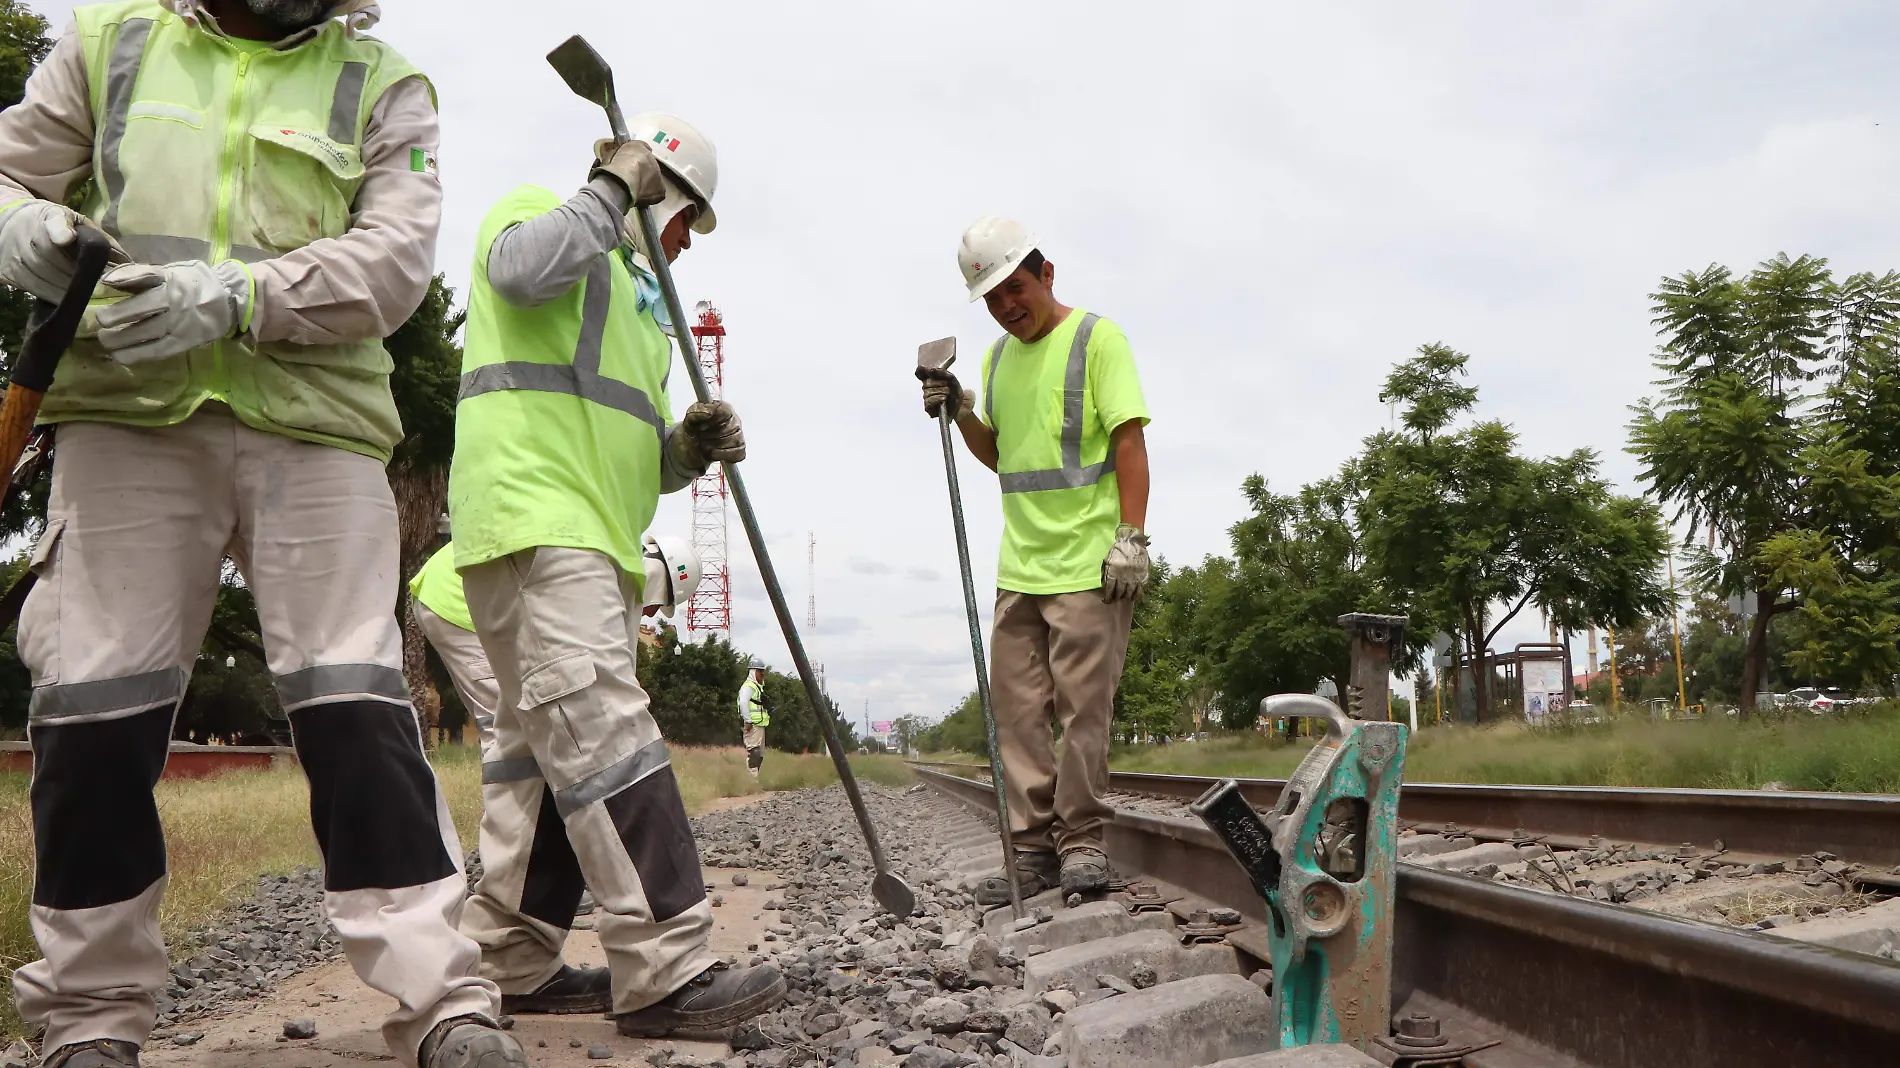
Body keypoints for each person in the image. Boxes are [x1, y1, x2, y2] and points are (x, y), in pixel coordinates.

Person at [0, 2, 530, 1066]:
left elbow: (393, 262)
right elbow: (9, 178)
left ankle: (442, 1005)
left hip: (317, 425)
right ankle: (90, 1017)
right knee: (94, 709)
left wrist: (237, 295)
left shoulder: (386, 84)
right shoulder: (111, 44)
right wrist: (26, 233)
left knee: (356, 701)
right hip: (124, 415)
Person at [448, 109, 785, 1038]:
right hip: (535, 523)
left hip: (586, 538)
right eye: (683, 219)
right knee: (606, 739)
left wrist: (683, 450)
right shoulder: (539, 219)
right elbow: (518, 270)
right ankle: (667, 969)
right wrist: (607, 191)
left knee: (542, 761)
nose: (683, 242)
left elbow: (632, 457)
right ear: (649, 186)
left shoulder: (641, 311)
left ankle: (509, 960)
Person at [918, 217, 1152, 905]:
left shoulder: (1097, 339)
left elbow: (1130, 443)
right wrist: (961, 409)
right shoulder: (995, 360)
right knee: (1017, 715)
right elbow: (1003, 457)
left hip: (1089, 565)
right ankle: (1029, 852)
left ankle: (1081, 843)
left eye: (1015, 289)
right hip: (1020, 566)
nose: (1006, 306)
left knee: (1083, 715)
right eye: (992, 298)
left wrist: (1132, 536)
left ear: (1046, 275)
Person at [737, 658, 769, 779]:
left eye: (763, 671)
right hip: (753, 724)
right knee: (754, 753)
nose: (762, 674)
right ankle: (750, 781)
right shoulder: (748, 686)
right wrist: (748, 721)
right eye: (759, 671)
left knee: (759, 755)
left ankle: (754, 779)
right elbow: (743, 703)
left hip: (759, 724)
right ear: (753, 671)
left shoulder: (757, 687)